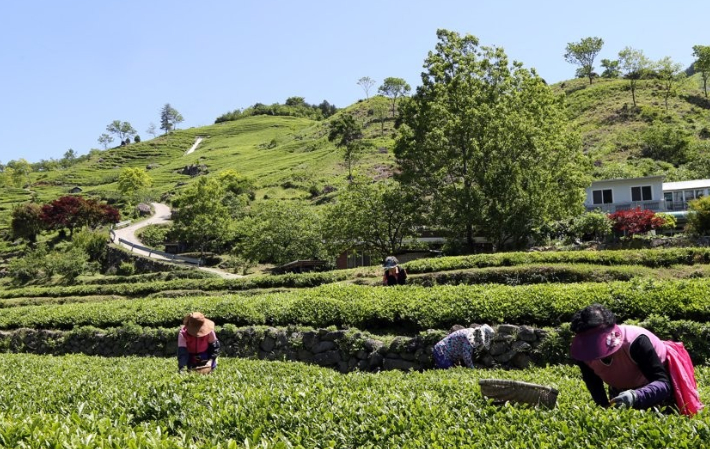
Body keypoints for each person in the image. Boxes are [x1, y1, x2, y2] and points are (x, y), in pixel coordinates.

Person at [570, 303, 703, 415]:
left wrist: (636, 396)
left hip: (655, 386)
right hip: (622, 387)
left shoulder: (636, 342)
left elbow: (663, 384)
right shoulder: (583, 353)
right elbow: (594, 383)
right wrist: (604, 407)